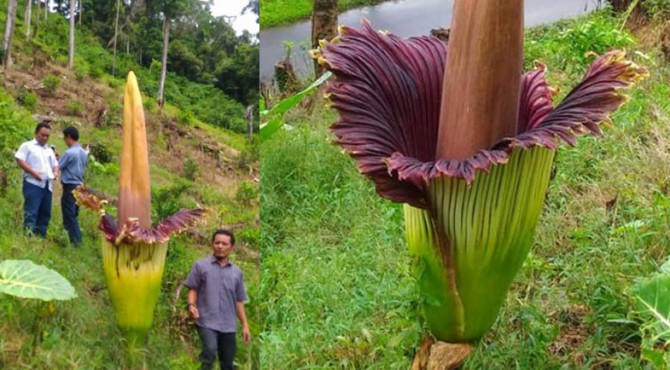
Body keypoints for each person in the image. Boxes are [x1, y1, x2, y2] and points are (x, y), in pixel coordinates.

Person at [185, 229, 251, 370]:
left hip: (228, 324)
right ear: (212, 244)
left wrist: (245, 324)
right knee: (209, 351)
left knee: (227, 363)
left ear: (231, 247)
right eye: (217, 243)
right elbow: (193, 289)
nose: (220, 246)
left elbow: (239, 300)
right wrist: (191, 305)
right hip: (206, 320)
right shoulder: (201, 266)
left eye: (224, 244)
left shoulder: (236, 272)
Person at [14, 121, 59, 237]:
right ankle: (29, 237)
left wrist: (55, 172)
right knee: (31, 211)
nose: (44, 138)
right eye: (42, 135)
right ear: (36, 133)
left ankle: (40, 237)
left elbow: (55, 163)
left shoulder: (49, 150)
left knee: (45, 213)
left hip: (47, 185)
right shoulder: (28, 146)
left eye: (47, 136)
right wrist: (33, 172)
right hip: (33, 183)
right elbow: (19, 159)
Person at [58, 126, 88, 246]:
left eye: (65, 138)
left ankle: (76, 242)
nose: (65, 141)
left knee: (68, 214)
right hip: (79, 186)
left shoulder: (69, 152)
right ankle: (71, 238)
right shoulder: (82, 152)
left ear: (68, 137)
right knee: (74, 213)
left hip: (70, 186)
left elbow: (58, 167)